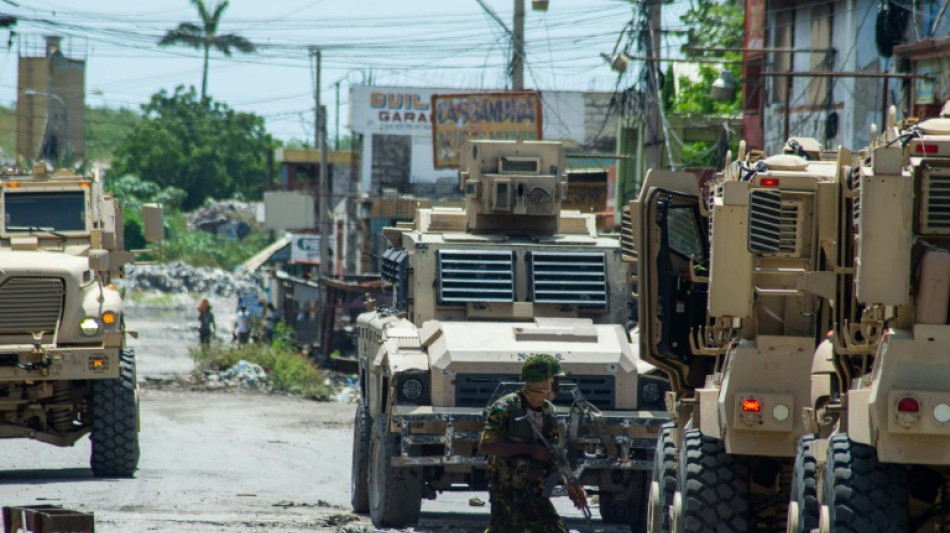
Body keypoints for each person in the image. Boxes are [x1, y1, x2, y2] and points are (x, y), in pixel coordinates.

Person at [479, 354, 586, 533]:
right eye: (554, 380)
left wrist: (571, 484)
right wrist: (530, 449)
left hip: (536, 493)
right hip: (507, 493)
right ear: (542, 382)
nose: (557, 385)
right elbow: (488, 444)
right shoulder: (505, 407)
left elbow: (555, 454)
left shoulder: (548, 410)